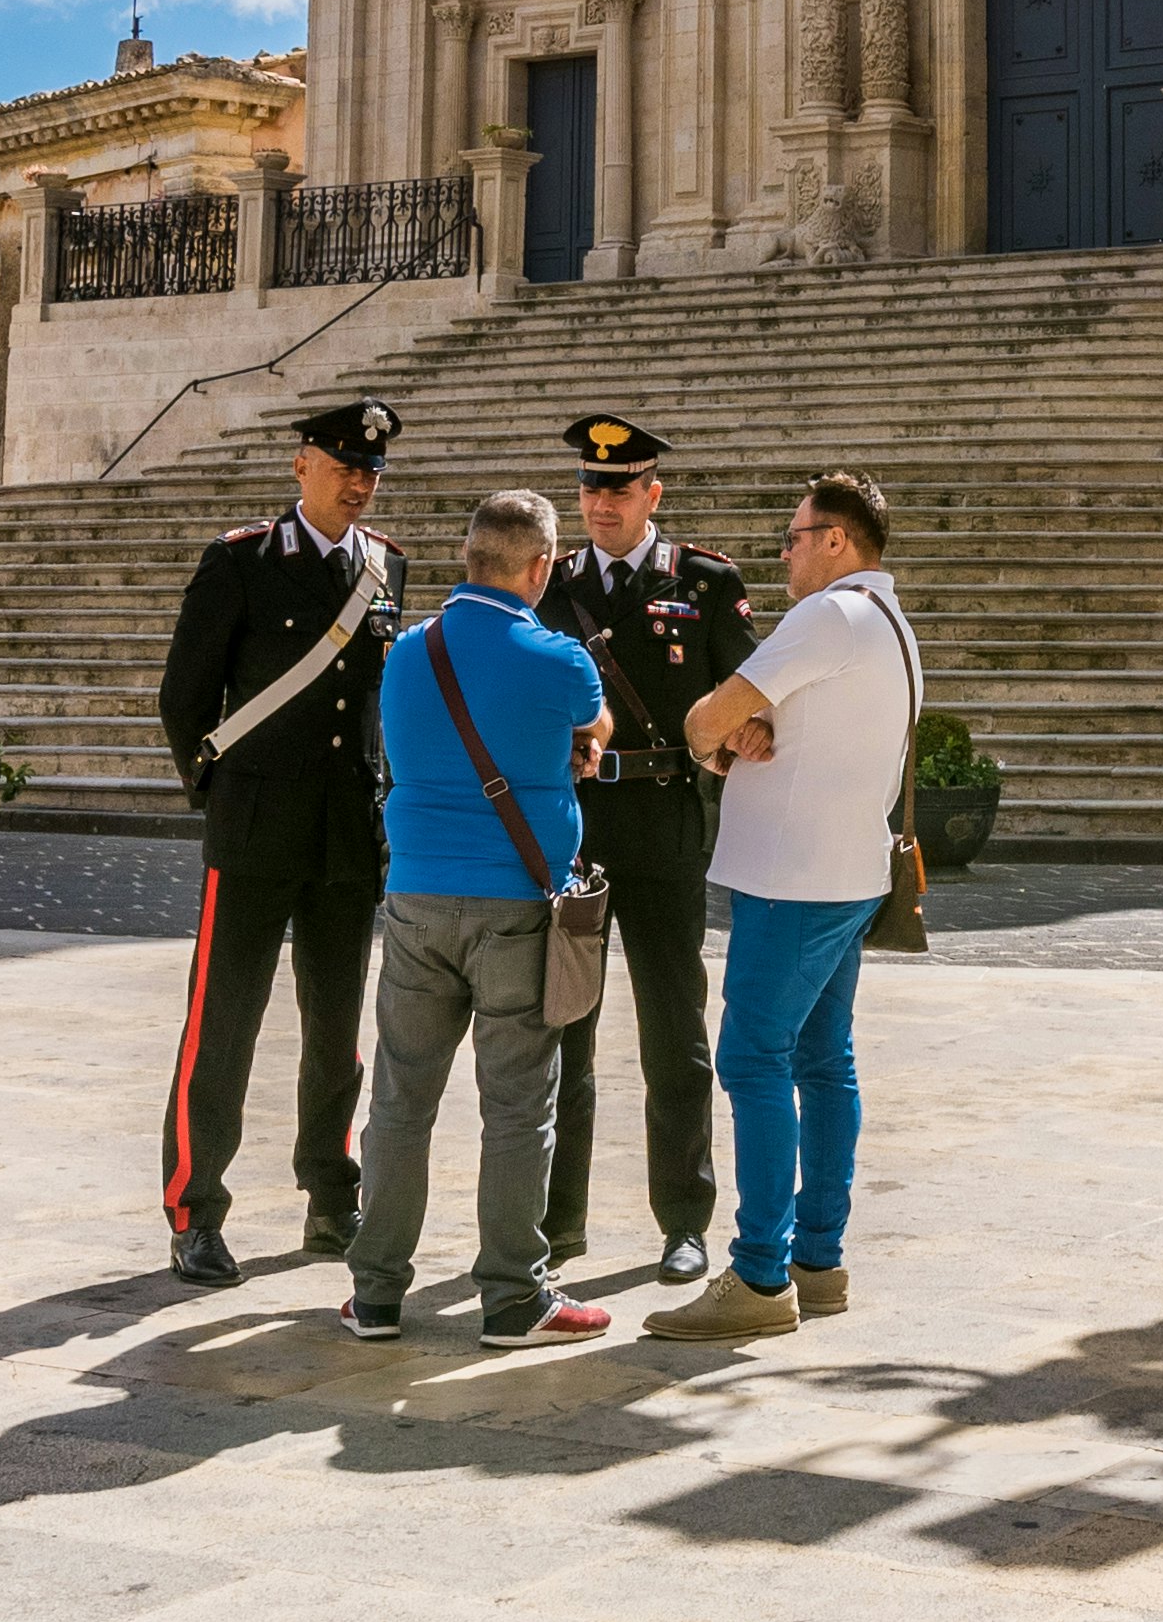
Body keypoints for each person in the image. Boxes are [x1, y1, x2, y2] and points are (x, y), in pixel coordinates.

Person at [644, 469, 914, 1346]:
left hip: (791, 879)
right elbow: (782, 731)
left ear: (837, 540)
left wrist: (713, 734)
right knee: (822, 1063)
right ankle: (819, 1261)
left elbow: (708, 716)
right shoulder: (890, 622)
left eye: (796, 536)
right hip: (845, 874)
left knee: (755, 1062)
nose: (786, 552)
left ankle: (760, 1274)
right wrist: (743, 740)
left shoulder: (827, 616)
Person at [340, 487, 614, 1346]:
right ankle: (511, 1298)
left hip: (416, 899)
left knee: (399, 1101)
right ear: (539, 568)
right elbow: (593, 722)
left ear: (468, 558)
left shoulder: (408, 653)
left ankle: (376, 1293)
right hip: (517, 906)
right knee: (519, 1106)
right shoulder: (561, 658)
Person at [153, 398, 406, 1287]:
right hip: (255, 829)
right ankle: (195, 1209)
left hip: (346, 835)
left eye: (370, 471)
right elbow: (185, 698)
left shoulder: (386, 567)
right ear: (303, 464)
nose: (359, 483)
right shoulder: (241, 561)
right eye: (343, 466)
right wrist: (218, 795)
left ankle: (331, 1197)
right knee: (223, 1024)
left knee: (336, 1030)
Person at [535, 414, 749, 1287]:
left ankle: (685, 1219)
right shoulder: (548, 587)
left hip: (663, 826)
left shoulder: (701, 581)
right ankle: (559, 1222)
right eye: (588, 487)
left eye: (618, 488)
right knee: (566, 1029)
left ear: (652, 492)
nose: (600, 502)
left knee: (674, 1032)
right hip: (577, 829)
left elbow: (746, 697)